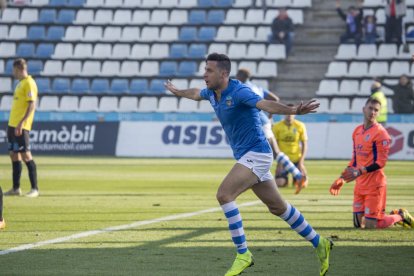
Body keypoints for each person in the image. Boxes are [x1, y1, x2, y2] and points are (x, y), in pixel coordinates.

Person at [165, 53, 332, 276]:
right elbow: (196, 94)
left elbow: (266, 104)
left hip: (258, 153)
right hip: (248, 155)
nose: (204, 74)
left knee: (224, 195)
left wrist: (293, 110)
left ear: (224, 74)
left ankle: (243, 254)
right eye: (205, 70)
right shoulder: (212, 92)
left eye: (209, 71)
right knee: (278, 208)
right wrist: (178, 92)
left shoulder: (240, 91)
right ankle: (319, 242)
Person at [329, 98, 414, 229]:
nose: (372, 112)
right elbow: (355, 160)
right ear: (364, 109)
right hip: (360, 184)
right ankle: (393, 216)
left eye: (376, 110)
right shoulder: (357, 131)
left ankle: (400, 216)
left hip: (375, 185)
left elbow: (381, 162)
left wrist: (360, 171)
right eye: (370, 108)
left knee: (371, 226)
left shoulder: (381, 134)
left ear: (379, 113)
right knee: (358, 225)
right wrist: (342, 178)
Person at [235, 69, 307, 194]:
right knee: (263, 153)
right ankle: (257, 179)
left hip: (257, 123)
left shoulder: (242, 87)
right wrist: (270, 114)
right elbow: (275, 98)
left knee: (274, 153)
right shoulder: (257, 87)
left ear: (240, 76)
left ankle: (299, 176)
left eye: (236, 75)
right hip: (262, 121)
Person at [4, 58, 39, 198]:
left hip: (21, 126)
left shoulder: (29, 83)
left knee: (26, 155)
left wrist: (21, 123)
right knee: (14, 155)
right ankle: (16, 188)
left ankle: (34, 189)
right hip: (12, 125)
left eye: (14, 70)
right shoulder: (20, 84)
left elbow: (31, 105)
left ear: (19, 68)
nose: (13, 73)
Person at [272, 106, 309, 192]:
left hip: (296, 159)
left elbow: (304, 144)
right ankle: (285, 179)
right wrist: (279, 163)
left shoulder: (300, 126)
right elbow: (274, 145)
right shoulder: (277, 126)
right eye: (287, 113)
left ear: (295, 114)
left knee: (303, 185)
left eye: (291, 113)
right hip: (283, 161)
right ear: (284, 114)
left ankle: (297, 178)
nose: (289, 115)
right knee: (280, 183)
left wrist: (301, 162)